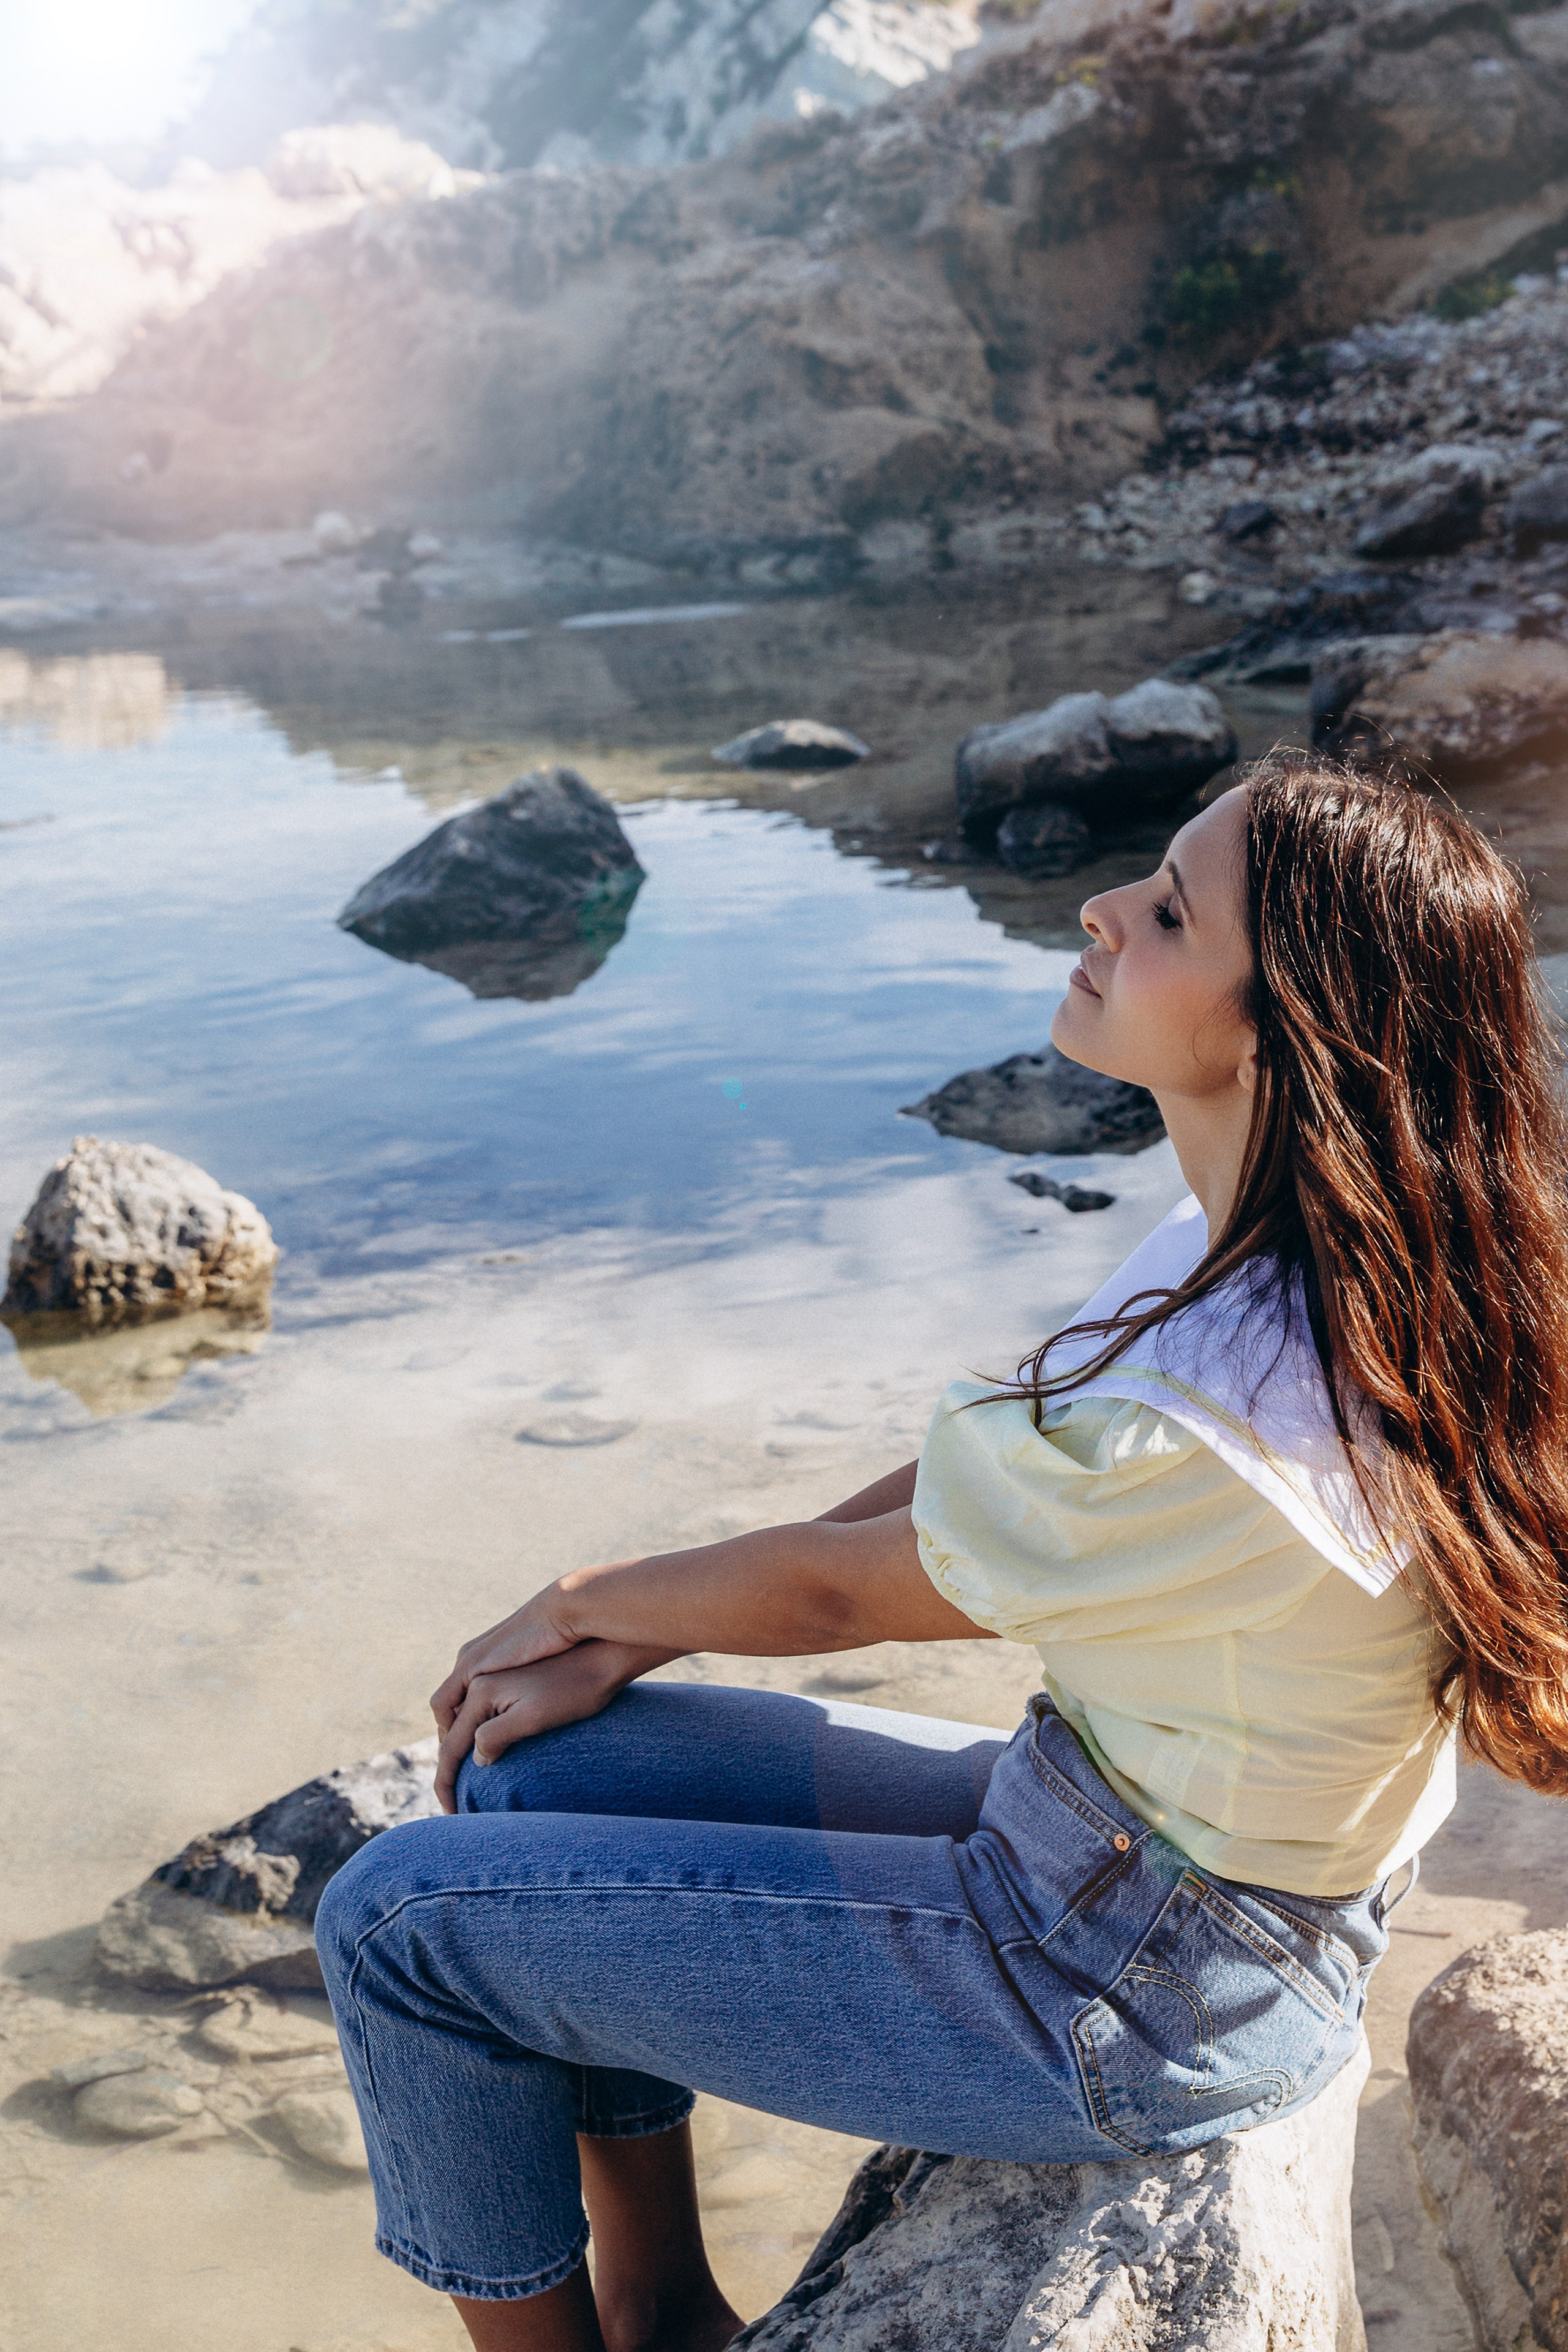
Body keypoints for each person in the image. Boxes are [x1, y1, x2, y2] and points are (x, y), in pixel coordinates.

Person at [315, 754, 1568, 2352]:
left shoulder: (1227, 1425)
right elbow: (990, 1481)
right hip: (1111, 1846)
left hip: (1134, 1989)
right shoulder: (1293, 1247)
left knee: (396, 1927)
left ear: (1276, 1029)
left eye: (1169, 911)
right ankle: (657, 2310)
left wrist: (587, 1604)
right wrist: (627, 1638)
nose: (1102, 912)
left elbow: (856, 1593)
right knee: (540, 1781)